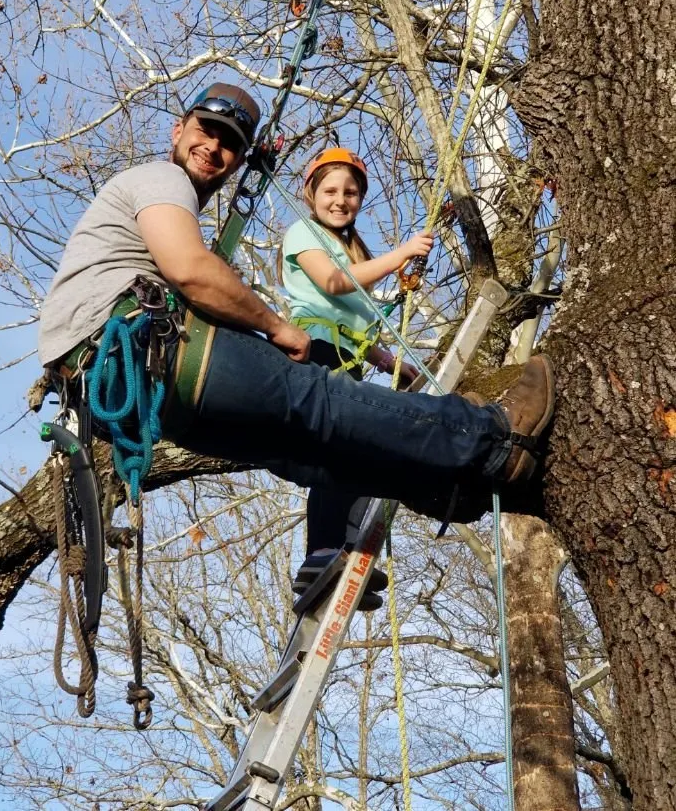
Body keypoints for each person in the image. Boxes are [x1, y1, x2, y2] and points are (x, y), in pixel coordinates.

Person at [39, 82, 555, 574]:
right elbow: (191, 271)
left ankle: (445, 487)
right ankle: (490, 439)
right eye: (205, 130)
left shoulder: (166, 202)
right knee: (319, 401)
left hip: (123, 389)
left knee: (302, 449)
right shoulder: (160, 178)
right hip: (134, 345)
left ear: (239, 159)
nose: (213, 147)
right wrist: (276, 328)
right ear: (179, 130)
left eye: (229, 144)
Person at [280, 147, 435, 609]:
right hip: (315, 353)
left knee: (362, 452)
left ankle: (346, 552)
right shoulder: (303, 232)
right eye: (330, 190)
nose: (340, 199)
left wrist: (392, 363)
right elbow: (333, 284)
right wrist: (403, 252)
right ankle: (324, 548)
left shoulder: (354, 249)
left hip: (348, 358)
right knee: (335, 451)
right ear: (310, 194)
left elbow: (356, 322)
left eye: (350, 191)